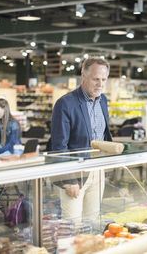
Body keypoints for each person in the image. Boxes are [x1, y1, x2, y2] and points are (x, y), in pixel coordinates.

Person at [51, 57, 112, 223]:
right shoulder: (65, 104)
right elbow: (59, 146)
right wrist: (68, 179)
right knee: (72, 224)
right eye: (96, 79)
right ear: (83, 76)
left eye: (104, 79)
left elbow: (104, 136)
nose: (100, 84)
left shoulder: (103, 101)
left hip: (97, 171)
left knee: (92, 222)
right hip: (75, 174)